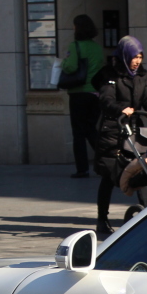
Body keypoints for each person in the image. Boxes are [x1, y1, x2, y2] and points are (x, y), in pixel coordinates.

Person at [94, 36, 147, 237]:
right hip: (113, 131)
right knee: (108, 175)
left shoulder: (141, 74)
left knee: (139, 169)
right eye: (133, 57)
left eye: (140, 56)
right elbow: (106, 99)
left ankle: (143, 215)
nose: (137, 61)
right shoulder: (111, 74)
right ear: (124, 56)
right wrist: (123, 109)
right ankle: (102, 219)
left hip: (133, 130)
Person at [62, 14, 106, 179]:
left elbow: (71, 66)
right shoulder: (96, 48)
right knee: (91, 129)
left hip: (79, 93)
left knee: (79, 132)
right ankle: (104, 158)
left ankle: (82, 168)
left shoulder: (75, 46)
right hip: (95, 93)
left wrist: (63, 63)